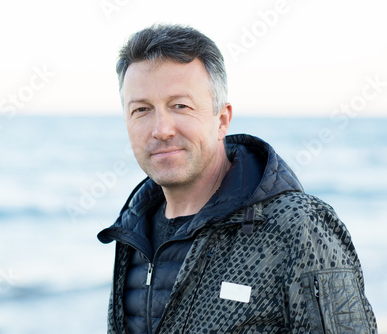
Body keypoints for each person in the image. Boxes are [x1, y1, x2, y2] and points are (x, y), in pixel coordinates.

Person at [97, 24, 377, 334]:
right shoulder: (133, 232)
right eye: (141, 109)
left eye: (180, 106)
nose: (161, 129)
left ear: (222, 119)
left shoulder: (297, 226)